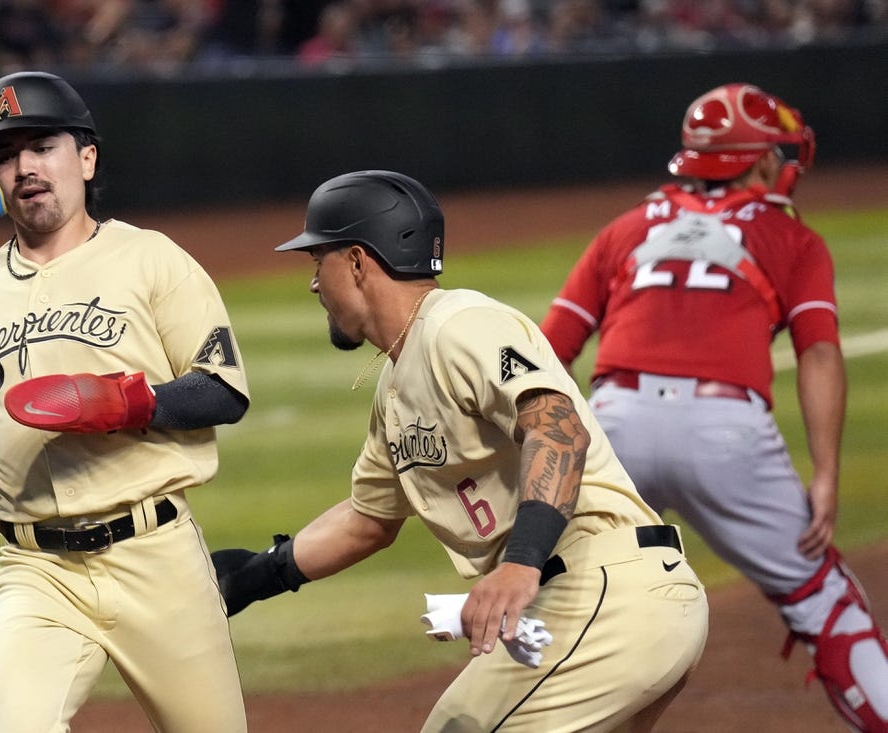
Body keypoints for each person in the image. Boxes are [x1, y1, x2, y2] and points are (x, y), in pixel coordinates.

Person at [213, 169, 709, 731]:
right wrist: (254, 577)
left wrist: (521, 563)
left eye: (316, 262)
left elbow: (557, 428)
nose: (312, 284)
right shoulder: (399, 376)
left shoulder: (460, 324)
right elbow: (370, 518)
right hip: (607, 607)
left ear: (356, 262)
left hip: (603, 595)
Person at [0, 70, 251, 733]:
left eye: (41, 146)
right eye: (5, 155)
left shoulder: (153, 260)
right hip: (37, 569)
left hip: (157, 559)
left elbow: (223, 390)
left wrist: (125, 402)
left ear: (86, 158)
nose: (24, 166)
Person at [538, 82, 888, 732]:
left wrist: (537, 470)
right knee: (822, 598)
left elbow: (547, 350)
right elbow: (818, 353)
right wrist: (827, 472)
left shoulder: (625, 228)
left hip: (614, 426)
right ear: (757, 161)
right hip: (724, 431)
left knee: (571, 606)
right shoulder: (789, 236)